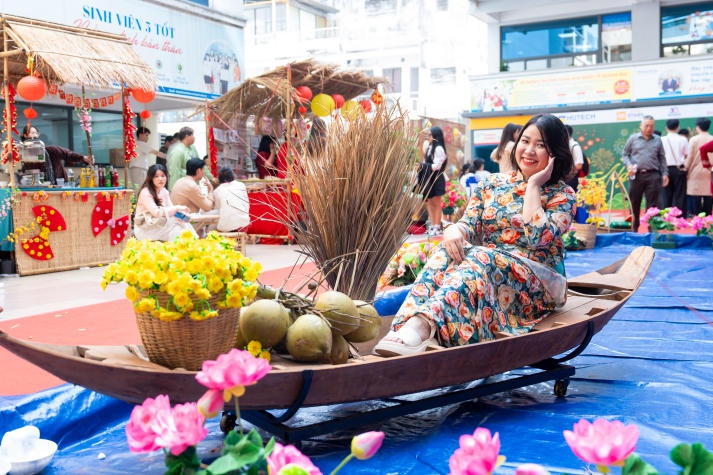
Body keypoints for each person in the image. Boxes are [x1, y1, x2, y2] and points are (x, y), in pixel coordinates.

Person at [373, 114, 576, 357]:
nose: (529, 150)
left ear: (555, 152)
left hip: (537, 284)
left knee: (481, 256)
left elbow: (537, 238)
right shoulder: (492, 184)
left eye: (541, 145)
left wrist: (533, 186)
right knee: (448, 251)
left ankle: (423, 326)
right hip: (490, 270)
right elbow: (468, 223)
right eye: (525, 141)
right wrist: (453, 230)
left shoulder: (562, 195)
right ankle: (406, 327)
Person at [621, 115, 668, 232]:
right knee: (634, 203)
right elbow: (625, 154)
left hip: (653, 175)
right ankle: (634, 228)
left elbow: (662, 158)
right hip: (636, 175)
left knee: (653, 205)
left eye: (651, 126)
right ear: (641, 126)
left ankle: (652, 229)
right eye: (646, 125)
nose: (649, 128)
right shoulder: (633, 138)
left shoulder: (657, 139)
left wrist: (665, 173)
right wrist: (629, 165)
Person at [133, 164, 195, 241]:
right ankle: (189, 245)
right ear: (151, 178)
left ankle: (185, 248)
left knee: (178, 227)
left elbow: (171, 209)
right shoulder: (146, 192)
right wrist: (178, 208)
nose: (160, 179)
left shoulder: (164, 191)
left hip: (159, 225)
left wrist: (184, 218)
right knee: (175, 224)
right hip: (145, 228)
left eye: (163, 176)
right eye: (156, 176)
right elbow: (157, 213)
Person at [20, 124, 93, 185]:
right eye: (32, 133)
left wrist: (83, 158)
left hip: (59, 186)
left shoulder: (51, 150)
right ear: (25, 135)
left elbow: (67, 154)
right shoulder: (25, 155)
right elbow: (25, 172)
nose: (35, 135)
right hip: (37, 187)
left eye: (36, 133)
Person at [421, 126, 448, 237]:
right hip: (429, 177)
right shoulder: (430, 147)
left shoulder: (439, 149)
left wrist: (423, 166)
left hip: (436, 178)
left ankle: (437, 226)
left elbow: (437, 166)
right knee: (429, 202)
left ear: (436, 136)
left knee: (436, 203)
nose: (428, 137)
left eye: (430, 135)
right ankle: (432, 224)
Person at [685, 117, 713, 217]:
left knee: (695, 203)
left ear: (698, 127)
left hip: (695, 173)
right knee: (709, 199)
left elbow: (690, 157)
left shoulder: (694, 139)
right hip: (710, 172)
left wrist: (685, 168)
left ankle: (698, 222)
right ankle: (708, 224)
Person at [660, 119, 689, 212]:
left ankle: (667, 216)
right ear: (678, 127)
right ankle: (680, 217)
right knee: (680, 194)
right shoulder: (683, 139)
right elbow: (686, 154)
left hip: (665, 170)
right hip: (679, 169)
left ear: (666, 128)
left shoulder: (662, 139)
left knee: (666, 195)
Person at [212, 166, 250, 232]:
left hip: (225, 227)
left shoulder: (217, 191)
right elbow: (247, 206)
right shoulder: (241, 185)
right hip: (243, 225)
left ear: (219, 178)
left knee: (211, 227)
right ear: (233, 176)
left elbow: (217, 210)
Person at [564, 124, 584, 192]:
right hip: (564, 179)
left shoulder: (575, 146)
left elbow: (579, 165)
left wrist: (567, 171)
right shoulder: (564, 146)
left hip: (571, 179)